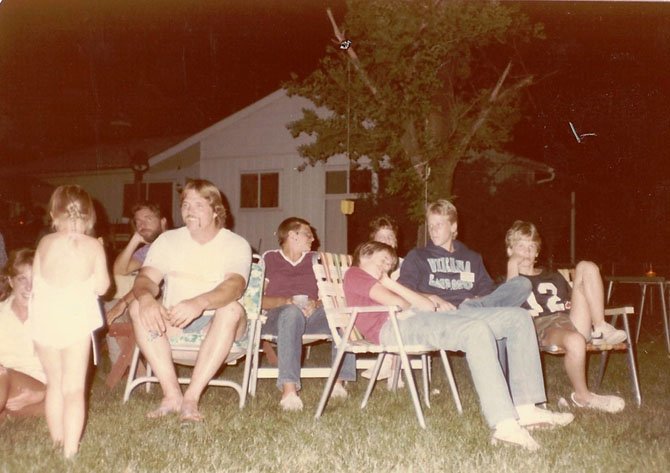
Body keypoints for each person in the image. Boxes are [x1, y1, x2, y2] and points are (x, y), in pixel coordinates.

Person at [345, 241, 574, 451]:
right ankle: (505, 424)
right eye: (384, 260)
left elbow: (425, 305)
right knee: (475, 331)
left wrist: (391, 285)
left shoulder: (382, 281)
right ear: (365, 254)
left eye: (391, 264)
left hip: (418, 319)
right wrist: (388, 283)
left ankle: (526, 409)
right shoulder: (355, 273)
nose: (388, 266)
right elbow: (400, 303)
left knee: (518, 318)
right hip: (393, 329)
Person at [128, 179, 251, 422]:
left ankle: (191, 399)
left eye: (198, 204)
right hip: (176, 319)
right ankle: (171, 395)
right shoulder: (168, 240)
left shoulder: (235, 244)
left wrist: (199, 303)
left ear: (216, 210)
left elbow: (234, 286)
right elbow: (145, 279)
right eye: (185, 204)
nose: (189, 210)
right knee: (137, 307)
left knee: (231, 309)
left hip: (220, 321)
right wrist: (146, 299)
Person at [505, 220, 626, 413]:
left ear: (537, 252)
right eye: (520, 246)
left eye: (531, 247)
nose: (527, 252)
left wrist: (576, 302)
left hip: (569, 320)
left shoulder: (554, 276)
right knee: (576, 340)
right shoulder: (506, 281)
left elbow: (575, 299)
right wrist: (512, 265)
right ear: (510, 250)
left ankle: (601, 327)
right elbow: (509, 301)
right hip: (542, 327)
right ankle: (583, 396)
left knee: (587, 266)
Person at [28, 185, 110, 458]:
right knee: (74, 388)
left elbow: (34, 281)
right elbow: (102, 287)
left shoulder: (44, 243)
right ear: (90, 216)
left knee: (55, 383)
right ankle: (70, 452)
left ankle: (56, 440)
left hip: (43, 318)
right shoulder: (92, 246)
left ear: (53, 214)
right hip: (74, 319)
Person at [261, 217, 355, 411]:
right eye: (308, 235)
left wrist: (317, 303)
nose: (313, 239)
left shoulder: (316, 259)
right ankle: (289, 390)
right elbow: (257, 299)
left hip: (310, 316)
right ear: (292, 235)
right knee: (291, 313)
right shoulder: (270, 258)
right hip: (276, 317)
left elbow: (331, 296)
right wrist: (284, 301)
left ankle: (339, 382)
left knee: (342, 314)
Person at [398, 199, 530, 311]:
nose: (433, 230)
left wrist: (477, 300)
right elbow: (403, 290)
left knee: (522, 285)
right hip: (442, 315)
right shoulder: (418, 256)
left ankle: (471, 308)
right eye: (431, 226)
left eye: (438, 224)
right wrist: (431, 298)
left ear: (453, 227)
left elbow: (488, 291)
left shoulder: (473, 258)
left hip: (474, 311)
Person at [0, 249, 46, 420]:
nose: (29, 287)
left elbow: (70, 369)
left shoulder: (51, 316)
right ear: (11, 281)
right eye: (22, 279)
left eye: (35, 280)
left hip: (38, 387)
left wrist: (43, 393)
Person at [106, 202, 167, 325]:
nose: (142, 225)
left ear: (163, 221)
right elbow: (119, 271)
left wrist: (123, 303)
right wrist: (135, 239)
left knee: (125, 309)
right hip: (146, 294)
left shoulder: (171, 242)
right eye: (137, 221)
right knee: (107, 308)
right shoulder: (147, 249)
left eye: (148, 218)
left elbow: (152, 282)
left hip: (165, 300)